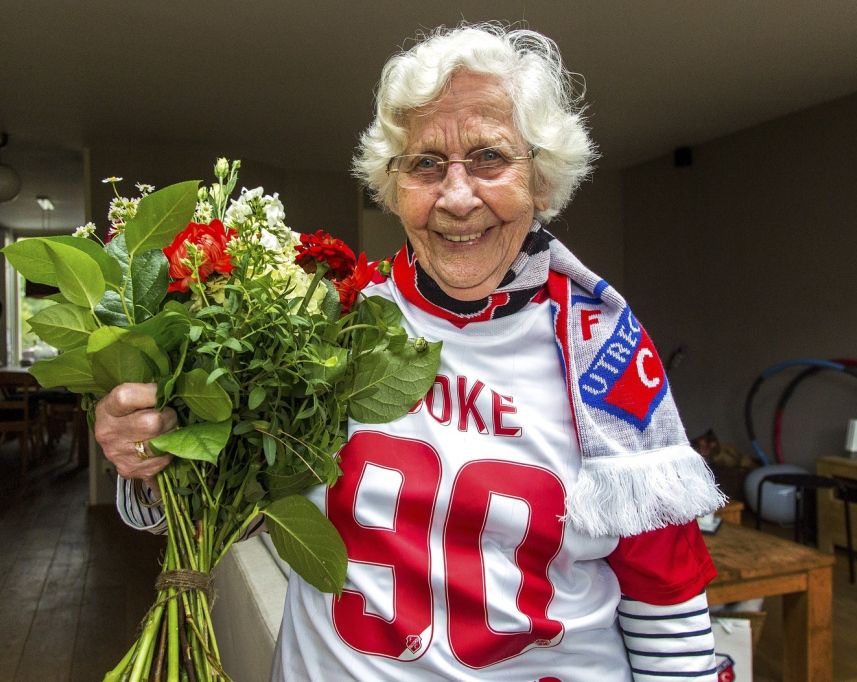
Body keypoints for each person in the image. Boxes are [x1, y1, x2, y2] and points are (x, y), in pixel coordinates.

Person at [95, 23, 726, 681]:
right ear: (394, 187)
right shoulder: (326, 318)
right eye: (425, 163)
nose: (457, 197)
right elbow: (232, 503)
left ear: (541, 179)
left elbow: (667, 596)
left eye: (489, 157)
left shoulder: (603, 349)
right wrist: (147, 455)